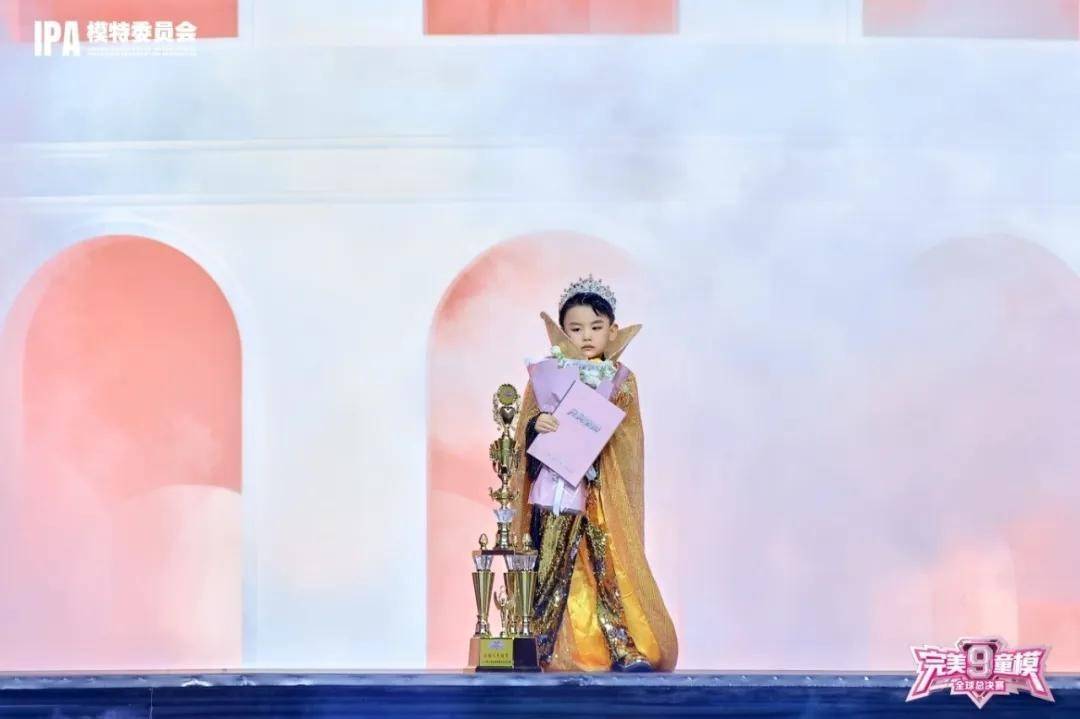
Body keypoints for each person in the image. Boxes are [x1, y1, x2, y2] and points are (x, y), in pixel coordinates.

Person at [509, 275, 678, 672]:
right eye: (576, 328)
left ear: (612, 331)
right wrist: (538, 426)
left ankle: (623, 646)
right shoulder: (547, 374)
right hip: (556, 488)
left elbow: (629, 436)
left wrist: (601, 441)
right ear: (562, 332)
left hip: (601, 494)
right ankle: (538, 647)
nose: (586, 336)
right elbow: (523, 432)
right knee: (548, 566)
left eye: (596, 327)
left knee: (609, 569)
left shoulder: (621, 380)